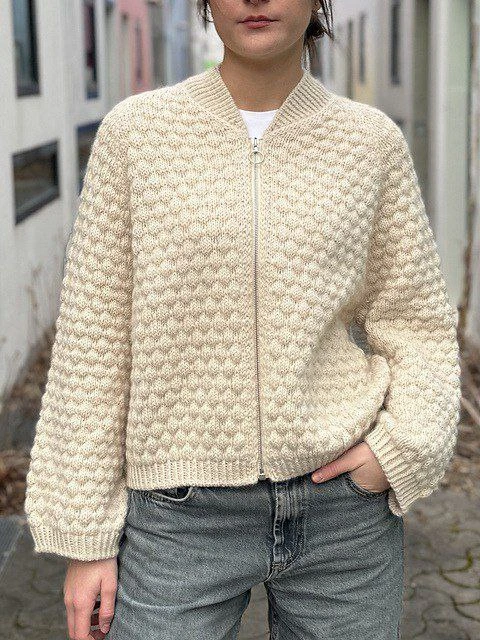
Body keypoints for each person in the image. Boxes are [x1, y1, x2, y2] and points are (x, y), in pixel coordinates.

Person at [24, 1, 462, 639]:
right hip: (176, 517)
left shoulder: (369, 144)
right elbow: (94, 343)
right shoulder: (136, 136)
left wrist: (399, 449)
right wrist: (84, 535)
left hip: (343, 512)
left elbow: (417, 321)